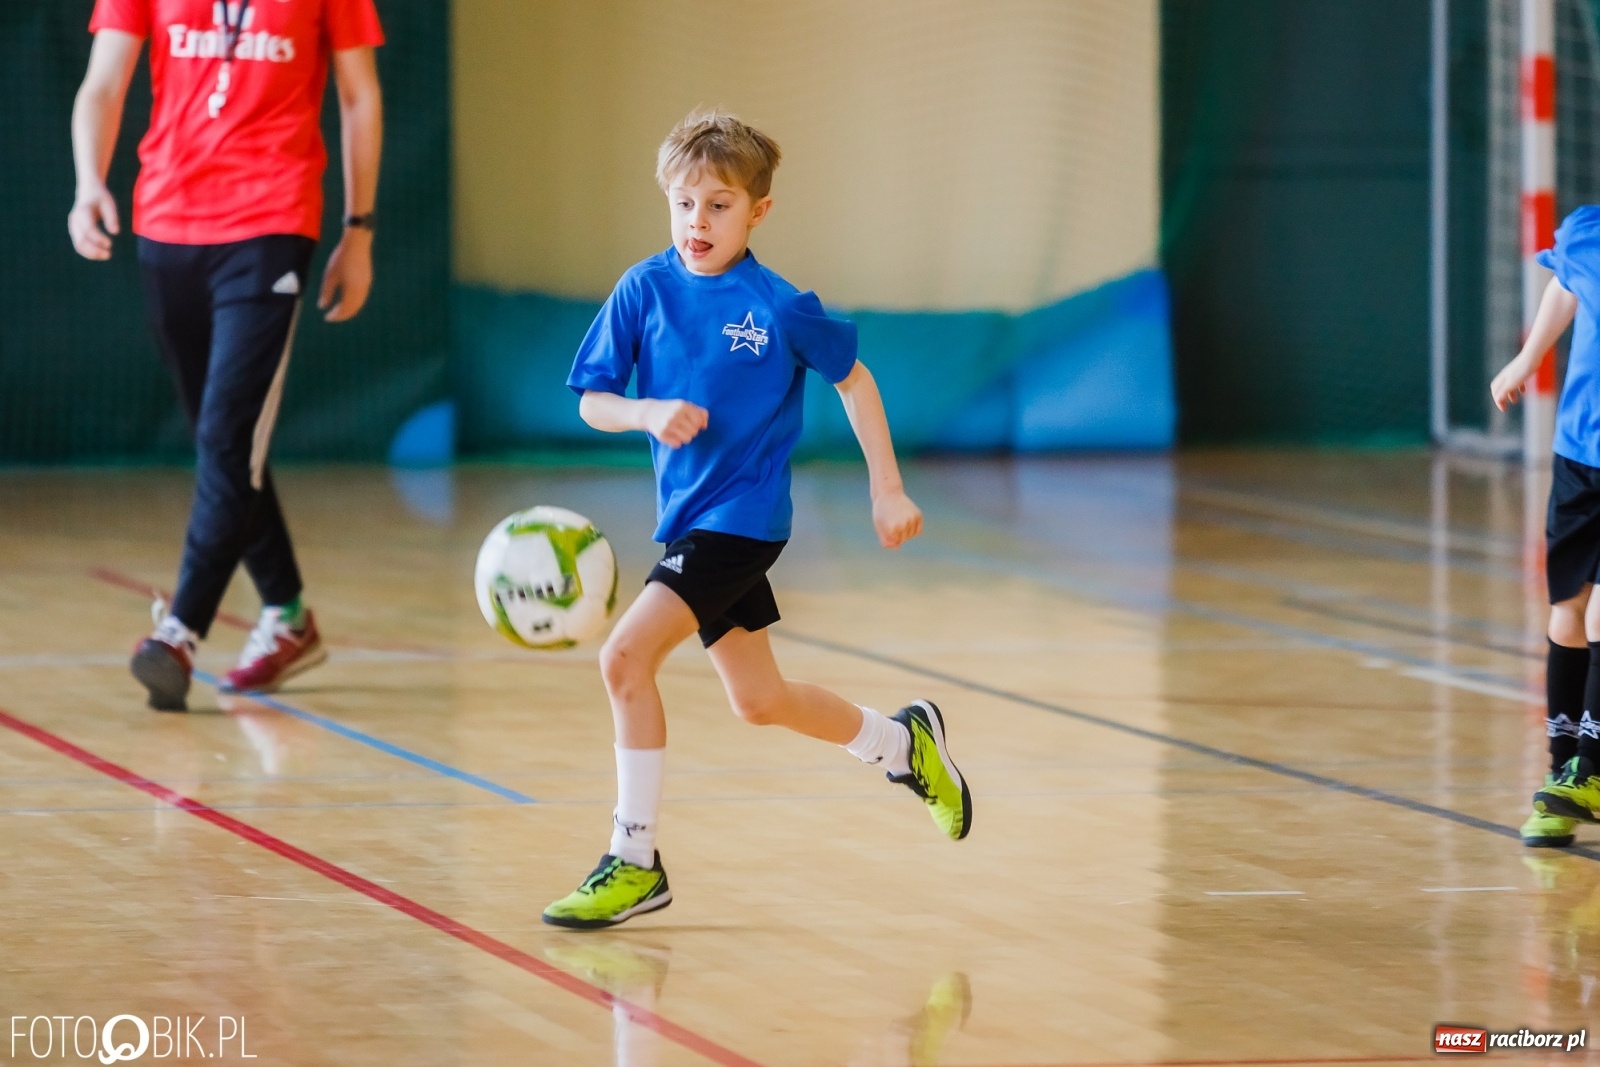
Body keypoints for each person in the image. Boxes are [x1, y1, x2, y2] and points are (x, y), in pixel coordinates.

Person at [542, 111, 973, 930]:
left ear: (758, 211)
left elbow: (855, 381)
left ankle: (634, 860)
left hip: (741, 521)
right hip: (689, 522)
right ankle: (903, 745)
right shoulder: (644, 289)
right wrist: (645, 413)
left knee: (624, 658)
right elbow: (594, 400)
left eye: (718, 205)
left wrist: (887, 487)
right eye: (683, 204)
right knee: (760, 699)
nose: (697, 222)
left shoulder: (779, 305)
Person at [68, 0, 384, 710]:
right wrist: (90, 180)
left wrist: (357, 230)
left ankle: (178, 632)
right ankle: (289, 615)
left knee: (228, 434)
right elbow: (104, 81)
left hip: (272, 222)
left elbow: (359, 95)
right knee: (226, 444)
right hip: (167, 223)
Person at [1492, 206, 1600, 841]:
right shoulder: (1588, 233)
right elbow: (1567, 280)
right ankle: (1565, 776)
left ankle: (1590, 770)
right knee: (1567, 606)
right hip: (1578, 454)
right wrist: (1528, 359)